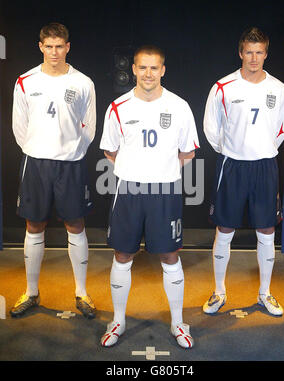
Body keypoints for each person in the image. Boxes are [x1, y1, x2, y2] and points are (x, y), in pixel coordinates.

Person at [99, 45, 199, 348]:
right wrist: (136, 169)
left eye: (154, 68)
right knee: (122, 254)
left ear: (163, 70)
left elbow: (188, 151)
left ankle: (178, 324)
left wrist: (160, 170)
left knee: (170, 255)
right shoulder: (118, 107)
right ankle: (117, 320)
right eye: (142, 67)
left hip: (165, 189)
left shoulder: (179, 106)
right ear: (133, 69)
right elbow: (109, 150)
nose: (148, 73)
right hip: (129, 189)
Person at [10, 22, 97, 319]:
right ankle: (31, 292)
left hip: (70, 163)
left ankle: (82, 293)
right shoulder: (25, 81)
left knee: (76, 225)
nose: (54, 52)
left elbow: (89, 128)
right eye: (49, 46)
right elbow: (19, 128)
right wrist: (38, 148)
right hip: (36, 162)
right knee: (34, 226)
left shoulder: (83, 82)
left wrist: (70, 150)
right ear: (40, 47)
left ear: (68, 47)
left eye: (59, 46)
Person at [203, 27, 284, 316]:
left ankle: (264, 293)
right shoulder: (223, 87)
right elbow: (211, 129)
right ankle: (219, 292)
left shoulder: (278, 89)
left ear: (266, 54)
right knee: (224, 228)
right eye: (249, 52)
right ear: (241, 53)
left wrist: (260, 149)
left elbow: (281, 130)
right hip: (232, 166)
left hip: (265, 166)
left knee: (266, 230)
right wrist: (233, 150)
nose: (254, 58)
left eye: (259, 52)